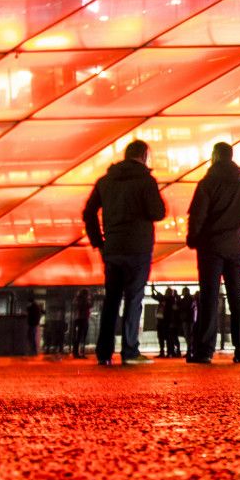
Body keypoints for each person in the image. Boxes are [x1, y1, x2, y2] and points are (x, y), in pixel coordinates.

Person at [83, 140, 166, 367]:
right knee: (133, 299)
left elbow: (88, 212)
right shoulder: (145, 181)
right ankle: (130, 351)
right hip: (138, 248)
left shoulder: (105, 181)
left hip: (113, 248)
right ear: (143, 156)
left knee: (111, 300)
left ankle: (104, 353)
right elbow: (158, 212)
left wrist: (98, 242)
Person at [186, 141, 240, 364]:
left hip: (211, 248)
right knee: (236, 297)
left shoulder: (208, 183)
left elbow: (197, 215)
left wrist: (193, 238)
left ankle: (205, 351)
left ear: (215, 156)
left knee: (209, 297)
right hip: (236, 248)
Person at [70, 289, 92, 358]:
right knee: (81, 336)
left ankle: (76, 352)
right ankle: (79, 353)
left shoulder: (77, 299)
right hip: (82, 319)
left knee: (78, 337)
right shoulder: (83, 300)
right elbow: (89, 305)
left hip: (78, 319)